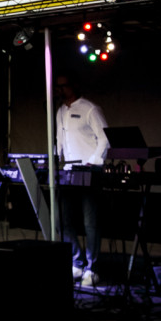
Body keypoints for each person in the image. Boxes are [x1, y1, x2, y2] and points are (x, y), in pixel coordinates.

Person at [54, 73, 108, 287]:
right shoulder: (59, 112)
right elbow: (59, 142)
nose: (60, 91)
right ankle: (77, 262)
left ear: (73, 86)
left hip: (89, 171)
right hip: (67, 172)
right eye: (57, 87)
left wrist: (94, 162)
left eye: (63, 86)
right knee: (61, 220)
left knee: (90, 222)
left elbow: (104, 138)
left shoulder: (89, 109)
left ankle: (92, 268)